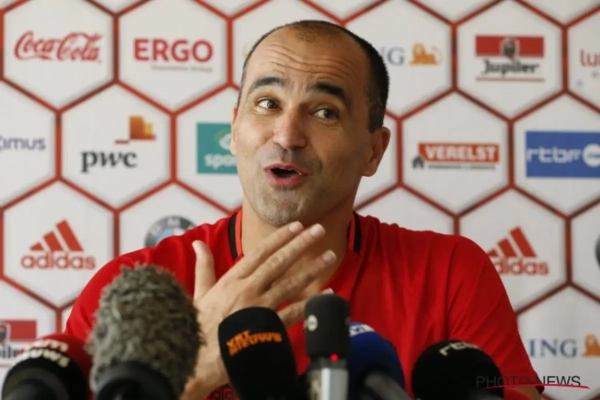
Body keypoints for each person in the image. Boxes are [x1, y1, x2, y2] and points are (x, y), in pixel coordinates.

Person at [65, 20, 542, 400]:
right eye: (267, 103)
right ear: (234, 129)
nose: (287, 134)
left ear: (374, 151)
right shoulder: (132, 289)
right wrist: (193, 377)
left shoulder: (451, 274)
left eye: (324, 112)